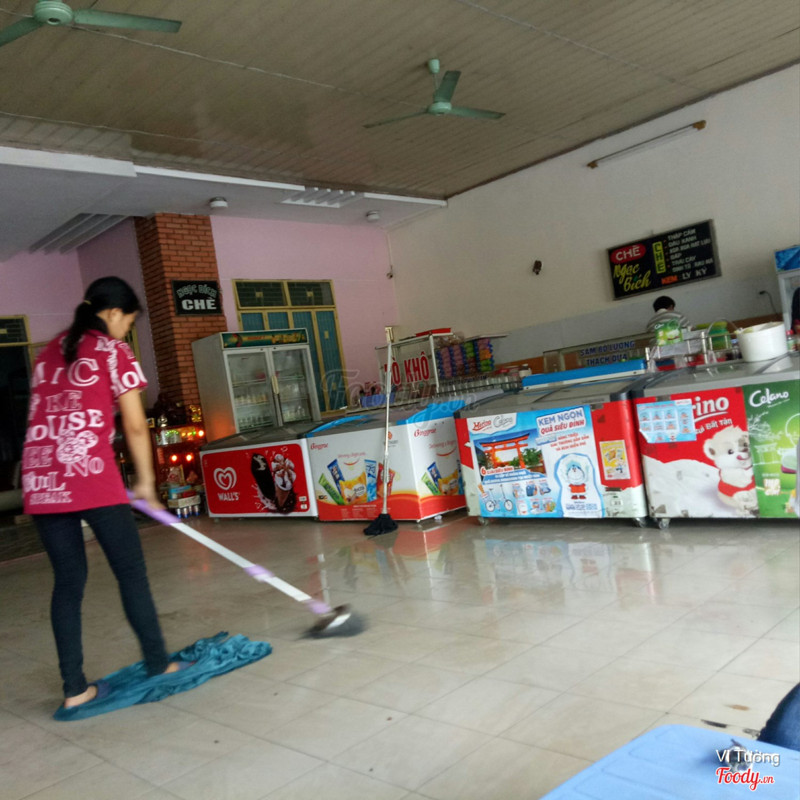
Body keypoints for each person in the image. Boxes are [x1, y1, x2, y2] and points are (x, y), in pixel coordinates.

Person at [21, 276, 184, 711]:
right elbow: (135, 425)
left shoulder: (47, 352)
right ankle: (158, 664)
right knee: (131, 573)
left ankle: (74, 690)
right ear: (113, 313)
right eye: (128, 322)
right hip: (90, 475)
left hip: (42, 479)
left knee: (68, 582)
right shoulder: (113, 351)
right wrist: (146, 484)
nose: (126, 331)